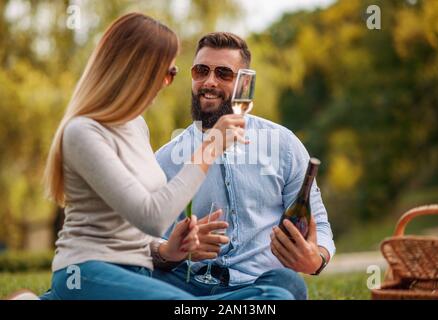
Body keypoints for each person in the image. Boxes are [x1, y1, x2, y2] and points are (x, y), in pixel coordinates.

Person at [15, 14, 293, 300]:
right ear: (134, 69)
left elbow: (133, 225)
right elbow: (152, 217)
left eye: (172, 74)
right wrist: (211, 146)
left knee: (276, 295)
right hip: (87, 273)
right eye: (166, 72)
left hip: (138, 274)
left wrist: (168, 250)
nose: (167, 83)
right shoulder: (82, 132)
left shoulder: (136, 125)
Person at [151, 32, 336, 300]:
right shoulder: (166, 158)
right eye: (201, 71)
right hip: (190, 285)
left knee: (287, 282)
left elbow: (318, 222)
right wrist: (172, 249)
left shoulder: (283, 144)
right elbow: (147, 242)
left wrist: (316, 259)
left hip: (260, 283)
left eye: (224, 73)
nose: (209, 82)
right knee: (140, 276)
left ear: (243, 83)